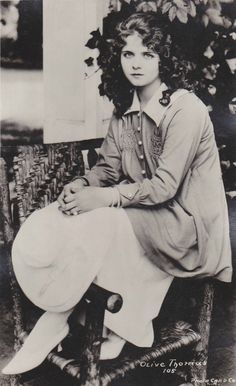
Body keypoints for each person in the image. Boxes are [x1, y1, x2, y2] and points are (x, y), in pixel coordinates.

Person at [2, 12, 232, 375]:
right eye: (128, 54)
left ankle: (73, 320)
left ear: (164, 59)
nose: (137, 64)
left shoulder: (184, 109)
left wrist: (105, 198)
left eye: (148, 54)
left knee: (108, 219)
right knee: (61, 216)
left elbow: (164, 188)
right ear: (117, 58)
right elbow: (108, 169)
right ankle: (65, 309)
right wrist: (84, 185)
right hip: (147, 215)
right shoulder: (125, 110)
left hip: (189, 225)